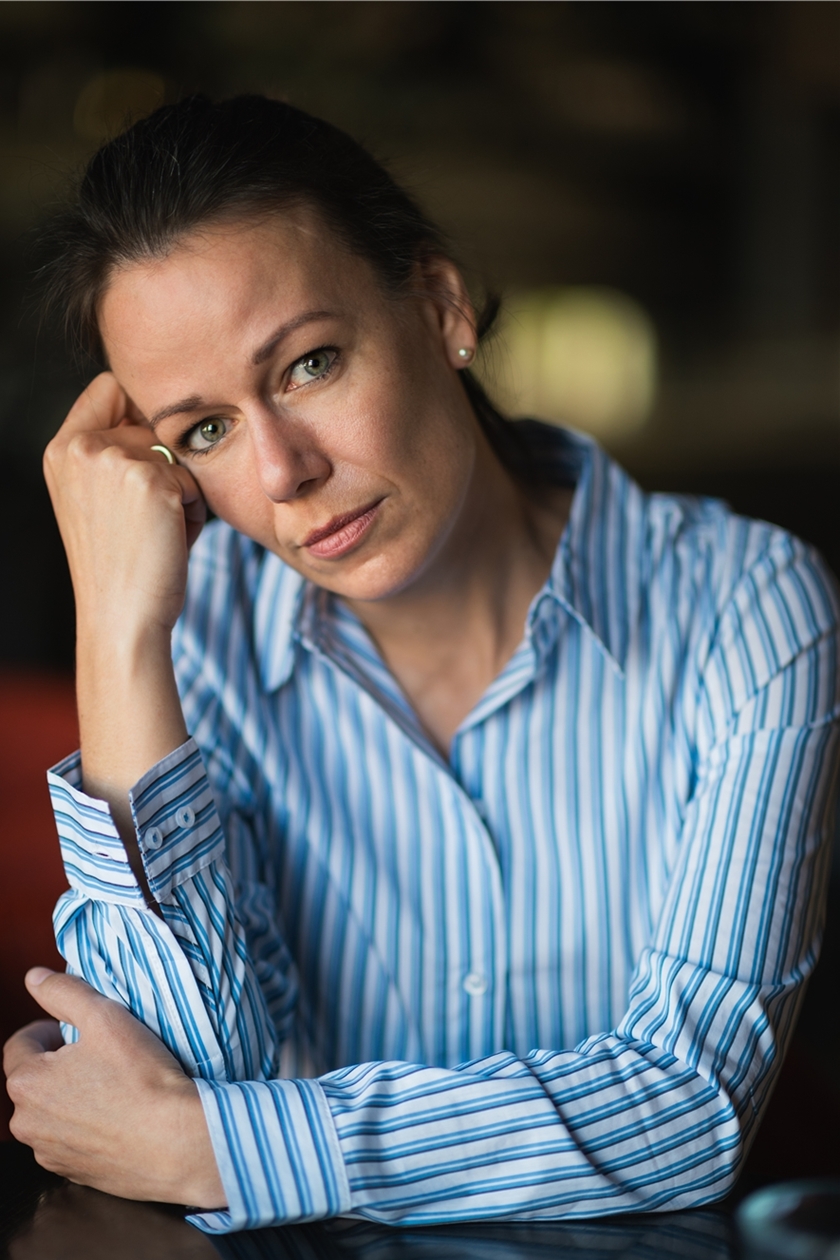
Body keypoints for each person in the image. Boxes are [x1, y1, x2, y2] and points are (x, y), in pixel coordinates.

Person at [3, 95, 839, 1236]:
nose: (284, 472)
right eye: (205, 431)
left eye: (309, 364)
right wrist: (116, 631)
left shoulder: (747, 605)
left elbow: (687, 1107)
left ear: (441, 307)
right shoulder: (199, 635)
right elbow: (169, 1076)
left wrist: (213, 1146)